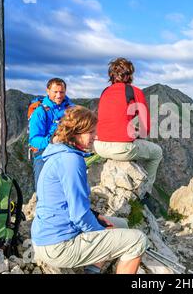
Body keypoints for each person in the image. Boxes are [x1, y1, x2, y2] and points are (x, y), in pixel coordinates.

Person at [31, 106, 148, 274]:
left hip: (50, 235)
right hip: (58, 245)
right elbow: (78, 215)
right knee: (138, 240)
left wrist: (97, 217)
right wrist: (101, 232)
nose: (96, 136)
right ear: (75, 133)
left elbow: (68, 203)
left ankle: (92, 271)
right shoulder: (70, 161)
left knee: (121, 224)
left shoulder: (60, 153)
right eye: (90, 132)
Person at [94, 58, 163, 192]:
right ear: (130, 74)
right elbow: (146, 128)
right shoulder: (134, 92)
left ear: (111, 75)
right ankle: (145, 191)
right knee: (157, 152)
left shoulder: (105, 92)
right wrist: (136, 133)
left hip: (99, 146)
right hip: (121, 148)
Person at [29, 78, 74, 190]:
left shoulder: (71, 109)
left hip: (66, 151)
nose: (59, 95)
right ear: (48, 91)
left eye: (62, 92)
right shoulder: (40, 112)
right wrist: (51, 141)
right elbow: (34, 140)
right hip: (43, 154)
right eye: (55, 92)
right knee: (43, 188)